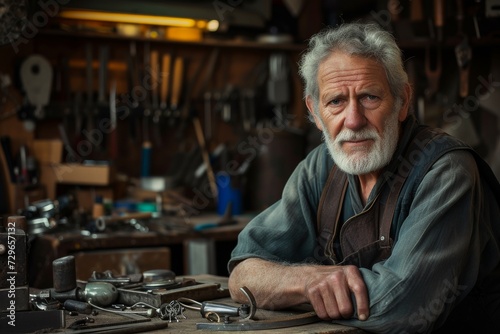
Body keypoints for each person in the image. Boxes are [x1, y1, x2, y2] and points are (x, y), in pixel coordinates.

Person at [227, 22, 500, 333]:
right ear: (315, 112)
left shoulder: (446, 171)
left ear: (402, 101)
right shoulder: (320, 167)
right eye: (335, 102)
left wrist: (284, 290)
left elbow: (404, 307)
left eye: (370, 97)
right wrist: (306, 281)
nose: (353, 120)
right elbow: (244, 270)